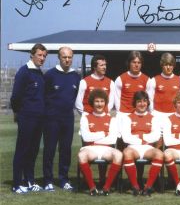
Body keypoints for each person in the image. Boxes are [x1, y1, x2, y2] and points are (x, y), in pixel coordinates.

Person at [10, 43, 48, 193]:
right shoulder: (23, 72)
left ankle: (29, 181)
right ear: (32, 55)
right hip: (27, 117)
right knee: (22, 150)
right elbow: (15, 97)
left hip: (39, 118)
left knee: (33, 151)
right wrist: (19, 114)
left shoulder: (39, 73)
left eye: (44, 56)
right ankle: (16, 184)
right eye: (39, 55)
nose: (42, 58)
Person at [43, 46, 81, 191]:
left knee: (65, 150)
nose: (67, 60)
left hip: (67, 119)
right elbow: (43, 96)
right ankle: (48, 180)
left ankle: (64, 179)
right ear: (59, 57)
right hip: (51, 119)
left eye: (70, 57)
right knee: (50, 150)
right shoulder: (50, 75)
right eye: (64, 57)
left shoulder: (75, 76)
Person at [78, 89, 122, 196]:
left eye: (102, 101)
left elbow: (112, 139)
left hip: (107, 148)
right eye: (97, 101)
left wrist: (94, 136)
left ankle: (106, 187)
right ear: (92, 102)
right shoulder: (85, 118)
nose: (99, 104)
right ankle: (92, 188)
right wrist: (103, 133)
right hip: (90, 148)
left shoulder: (112, 119)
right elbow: (86, 138)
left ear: (105, 103)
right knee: (81, 155)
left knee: (119, 154)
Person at [121, 90, 164, 196]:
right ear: (135, 103)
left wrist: (139, 136)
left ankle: (148, 187)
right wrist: (143, 139)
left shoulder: (154, 118)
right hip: (133, 147)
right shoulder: (127, 118)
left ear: (148, 103)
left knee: (159, 154)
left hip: (148, 148)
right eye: (139, 101)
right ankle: (135, 186)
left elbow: (156, 136)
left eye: (144, 101)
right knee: (127, 153)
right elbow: (126, 138)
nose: (142, 104)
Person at [114, 51, 151, 116]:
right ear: (129, 63)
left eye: (139, 63)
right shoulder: (120, 79)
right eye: (134, 62)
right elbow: (117, 98)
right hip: (124, 113)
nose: (136, 65)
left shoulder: (147, 80)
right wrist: (120, 112)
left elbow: (149, 99)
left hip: (140, 114)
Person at [149, 52, 180, 120]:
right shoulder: (154, 80)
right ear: (162, 65)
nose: (168, 67)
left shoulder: (179, 80)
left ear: (173, 65)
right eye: (166, 65)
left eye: (170, 65)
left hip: (174, 114)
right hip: (158, 114)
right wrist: (152, 113)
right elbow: (150, 99)